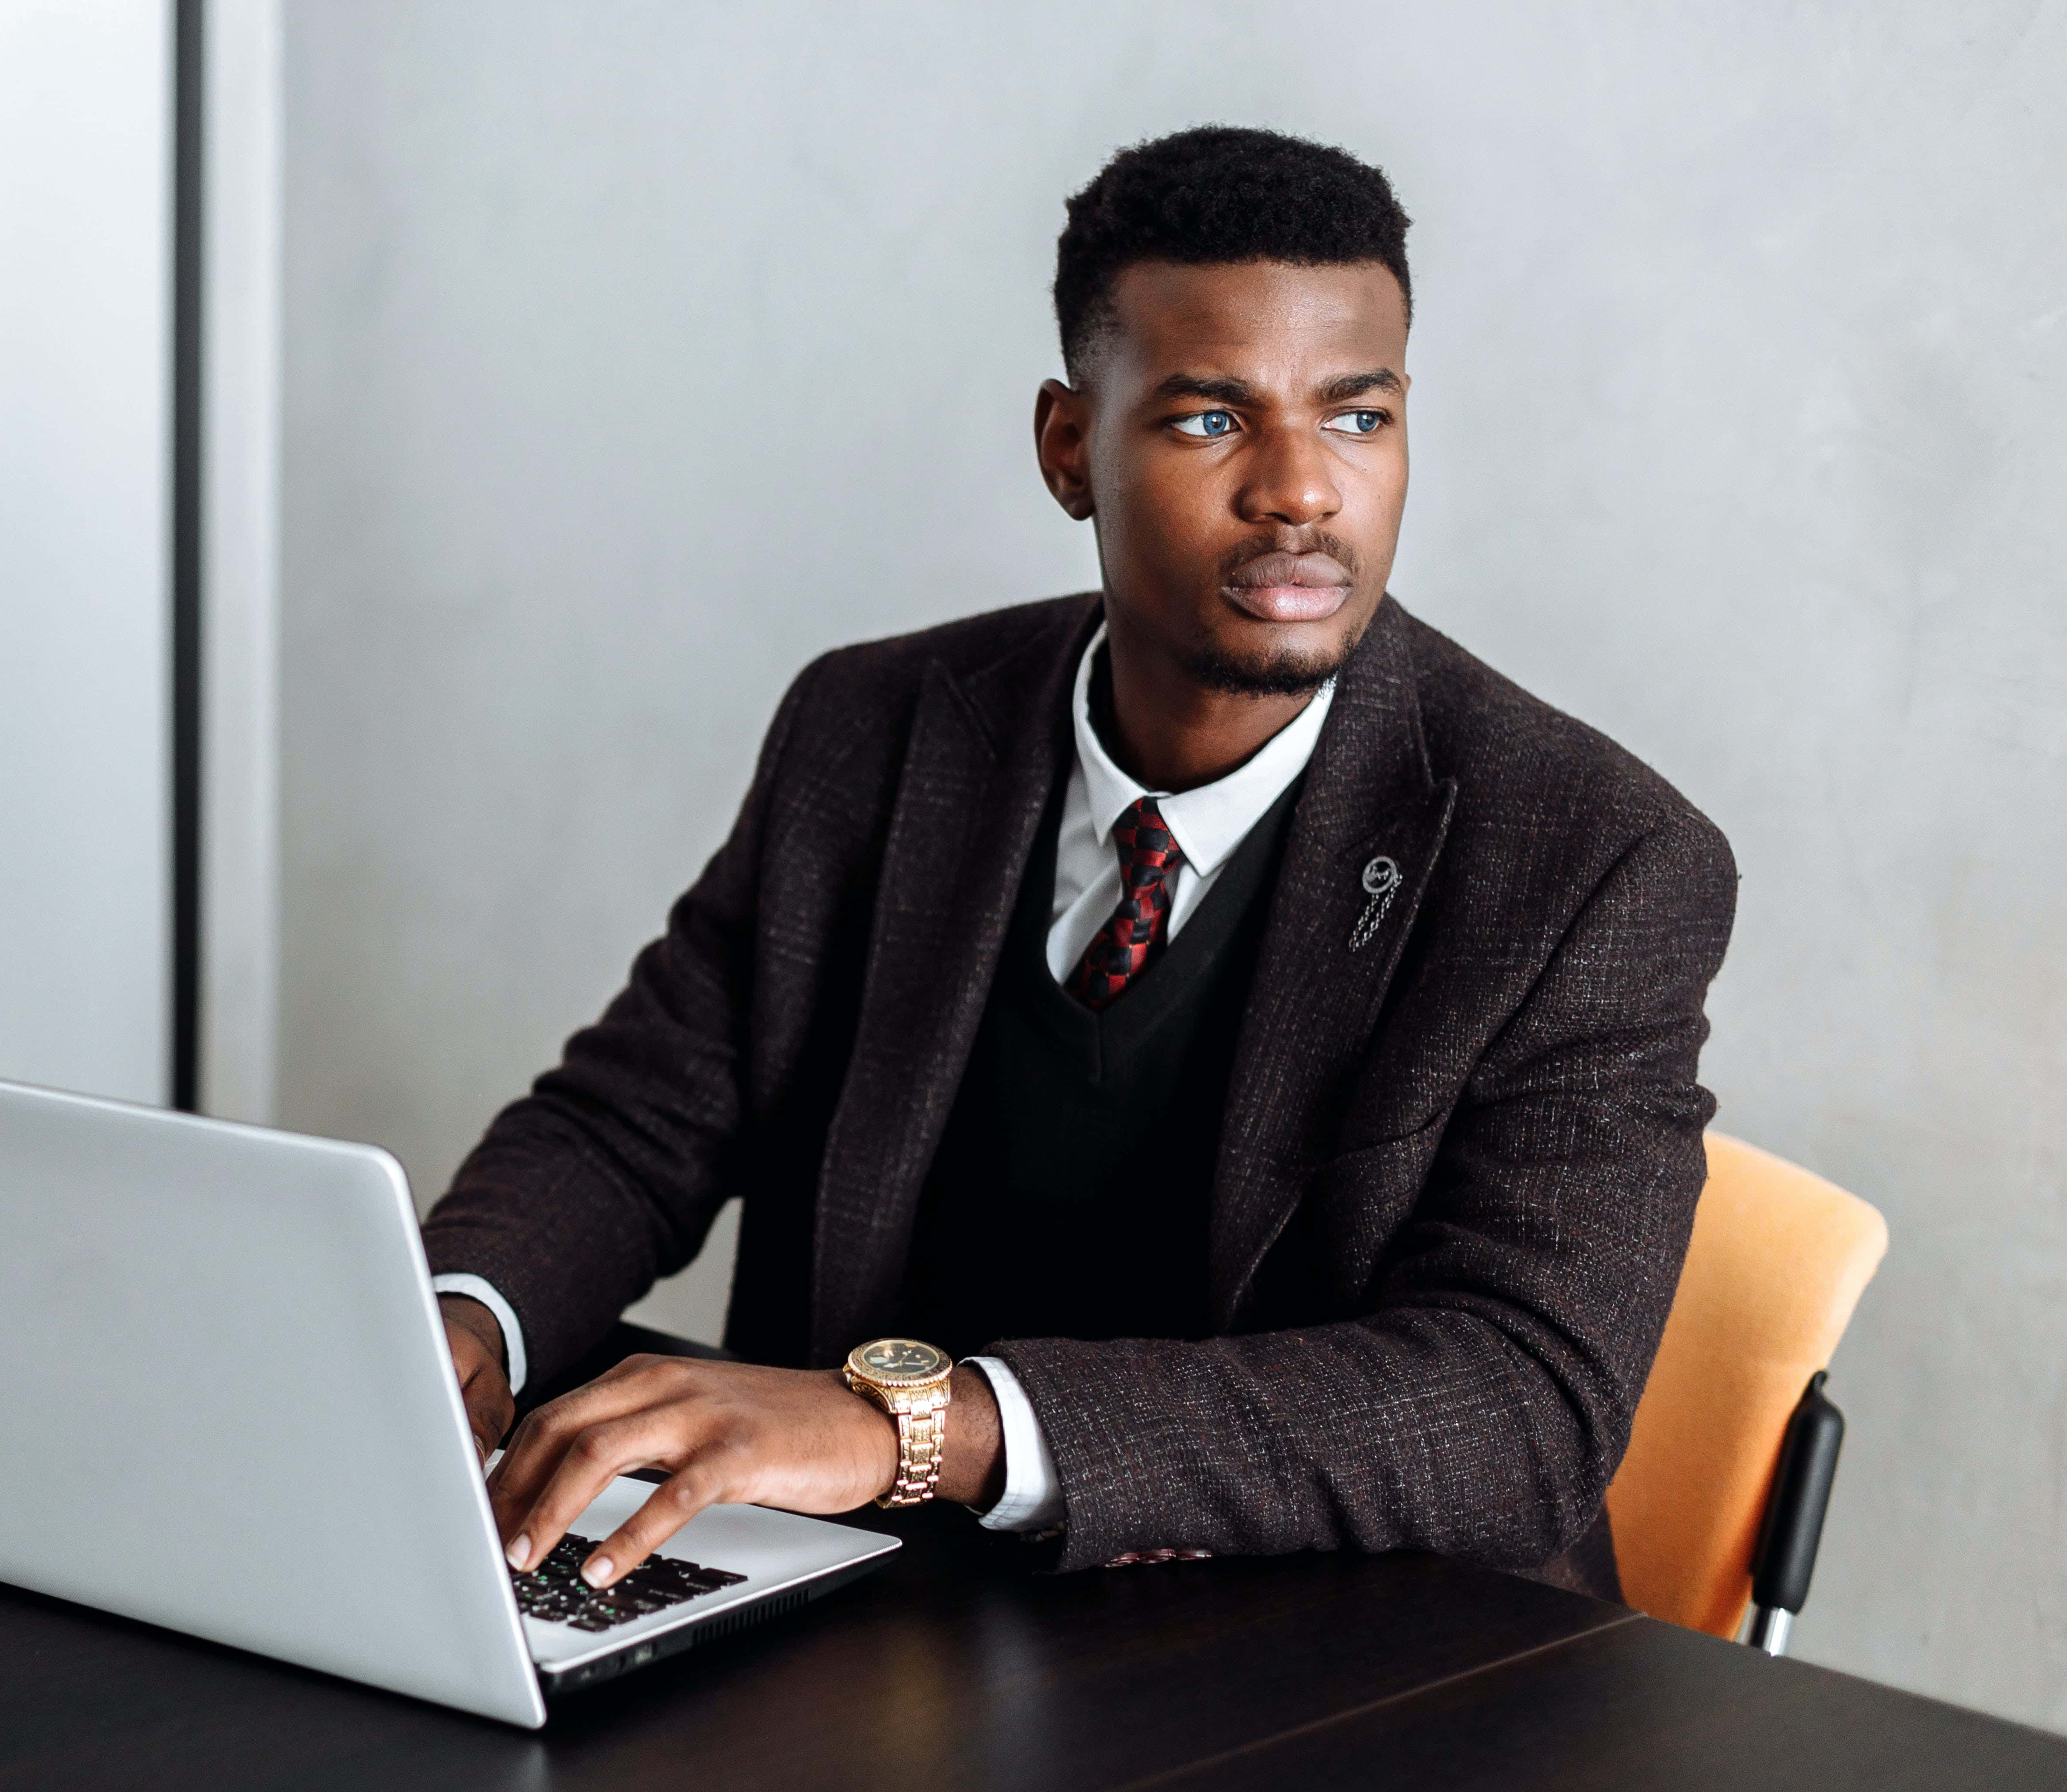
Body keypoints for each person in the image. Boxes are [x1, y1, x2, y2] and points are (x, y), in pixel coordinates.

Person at [423, 126, 1736, 1604]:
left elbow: (1518, 1404)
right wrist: (459, 1324)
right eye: (1207, 421)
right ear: (1068, 448)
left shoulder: (1588, 857)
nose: (1300, 490)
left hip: (1341, 1660)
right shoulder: (872, 728)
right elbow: (636, 1119)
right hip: (866, 1610)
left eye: (1356, 418)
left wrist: (924, 1430)